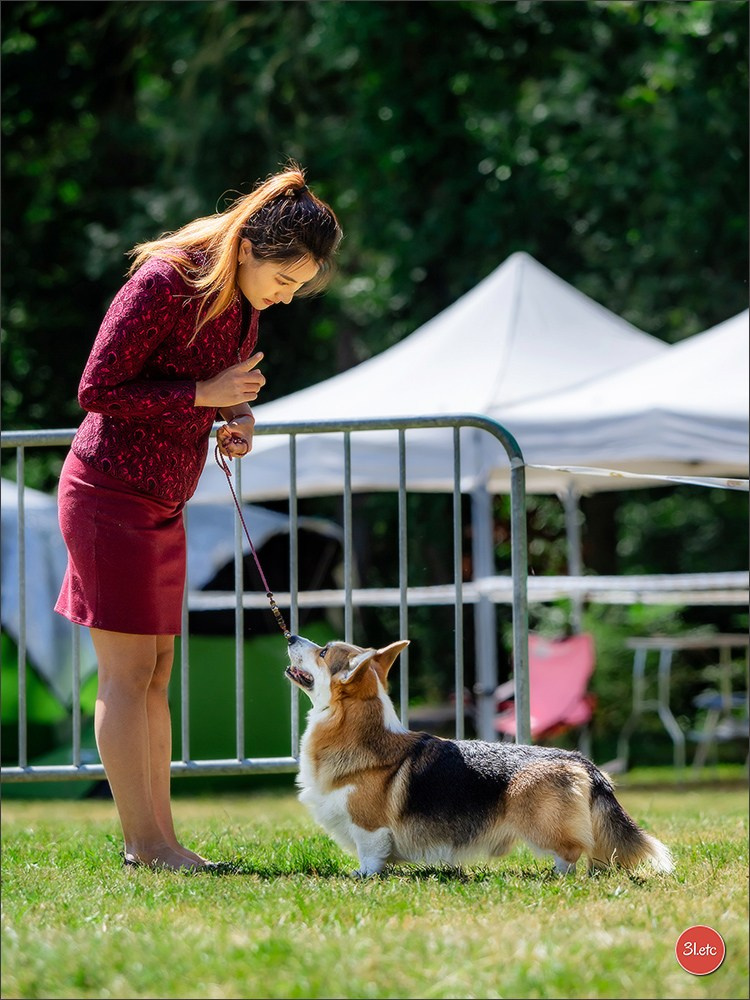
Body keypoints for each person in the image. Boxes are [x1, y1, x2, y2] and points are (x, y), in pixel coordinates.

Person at [54, 163, 342, 871]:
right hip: (107, 493)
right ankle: (145, 845)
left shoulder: (243, 304)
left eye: (298, 289)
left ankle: (160, 843)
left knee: (155, 673)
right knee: (126, 677)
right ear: (248, 248)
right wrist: (201, 393)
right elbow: (96, 388)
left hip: (163, 502)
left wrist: (235, 415)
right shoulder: (163, 282)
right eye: (284, 280)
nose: (284, 298)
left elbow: (215, 390)